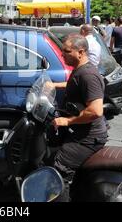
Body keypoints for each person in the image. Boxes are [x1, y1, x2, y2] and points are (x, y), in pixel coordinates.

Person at [50, 34, 108, 202]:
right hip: (78, 131)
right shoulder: (80, 71)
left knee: (59, 169)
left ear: (81, 52)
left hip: (88, 137)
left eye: (66, 51)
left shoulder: (88, 75)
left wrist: (68, 121)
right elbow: (75, 87)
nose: (62, 54)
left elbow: (96, 111)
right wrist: (53, 85)